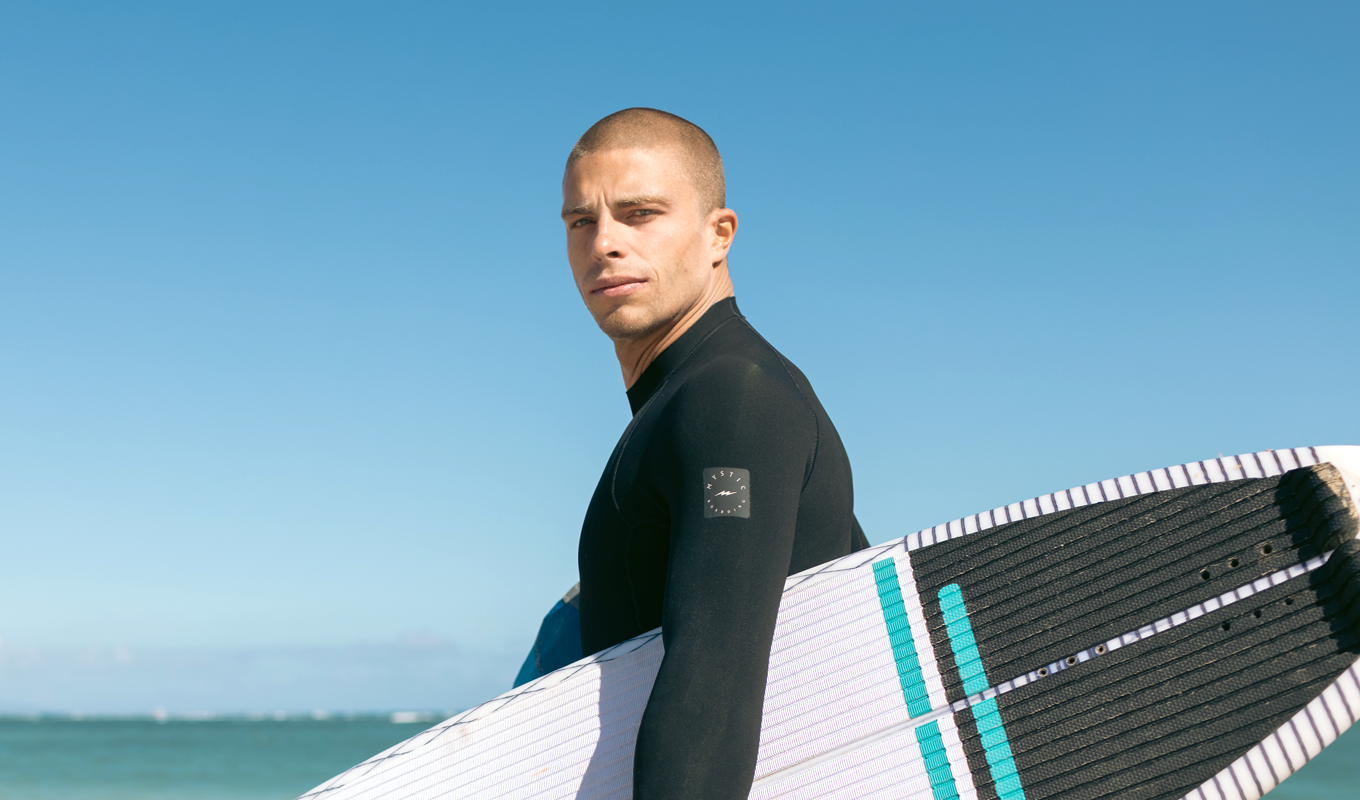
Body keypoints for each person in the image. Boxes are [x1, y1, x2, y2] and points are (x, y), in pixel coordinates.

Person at [561, 108, 868, 799]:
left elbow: (712, 691)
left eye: (639, 214)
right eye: (581, 221)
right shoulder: (699, 403)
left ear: (717, 235)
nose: (604, 242)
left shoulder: (732, 398)